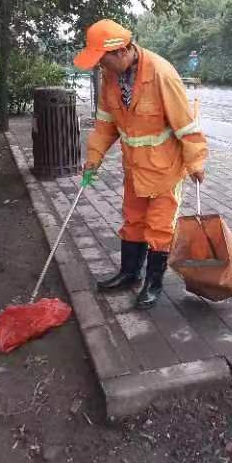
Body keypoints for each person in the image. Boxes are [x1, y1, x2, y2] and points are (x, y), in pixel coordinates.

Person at [75, 19, 207, 310]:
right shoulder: (111, 78)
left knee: (159, 228)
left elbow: (185, 125)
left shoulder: (161, 74)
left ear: (121, 52)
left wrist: (196, 161)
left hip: (165, 169)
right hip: (134, 169)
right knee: (133, 221)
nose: (100, 67)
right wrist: (93, 158)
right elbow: (105, 124)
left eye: (102, 60)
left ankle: (153, 283)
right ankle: (129, 274)